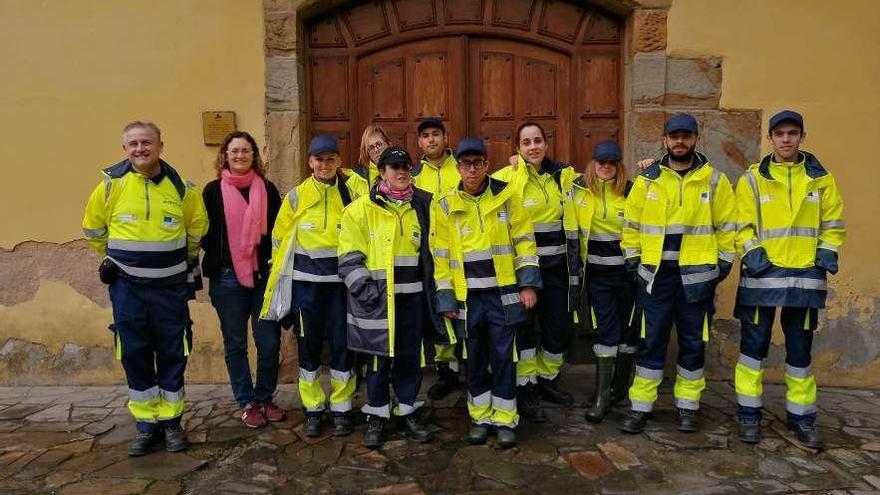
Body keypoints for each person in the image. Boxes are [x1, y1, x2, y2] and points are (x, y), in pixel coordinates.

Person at [82, 121, 208, 456]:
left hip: (170, 287)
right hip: (127, 289)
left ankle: (171, 423)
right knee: (134, 351)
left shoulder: (183, 188)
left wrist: (183, 258)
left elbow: (198, 227)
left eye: (147, 143)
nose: (140, 149)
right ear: (125, 149)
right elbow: (93, 228)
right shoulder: (109, 188)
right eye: (133, 144)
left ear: (160, 146)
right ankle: (145, 425)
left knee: (173, 350)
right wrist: (113, 260)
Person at [617, 113, 736, 434]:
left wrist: (721, 265)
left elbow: (728, 228)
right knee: (650, 342)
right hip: (655, 278)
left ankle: (688, 406)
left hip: (697, 280)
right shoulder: (648, 181)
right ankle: (641, 407)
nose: (679, 141)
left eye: (686, 136)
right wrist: (634, 263)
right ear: (665, 140)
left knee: (693, 344)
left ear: (696, 138)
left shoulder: (715, 181)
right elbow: (631, 227)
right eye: (674, 136)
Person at [732, 111, 845, 448]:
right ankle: (749, 414)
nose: (785, 139)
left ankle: (802, 417)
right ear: (770, 138)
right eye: (779, 133)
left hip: (805, 279)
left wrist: (825, 254)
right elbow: (741, 225)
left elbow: (834, 224)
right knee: (753, 349)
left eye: (792, 133)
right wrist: (755, 257)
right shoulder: (752, 180)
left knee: (800, 351)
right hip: (762, 277)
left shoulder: (822, 180)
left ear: (802, 137)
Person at [434, 137, 541, 448]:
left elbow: (524, 242)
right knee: (475, 358)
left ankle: (506, 419)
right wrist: (446, 298)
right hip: (467, 299)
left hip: (502, 295)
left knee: (505, 357)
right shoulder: (444, 205)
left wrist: (529, 283)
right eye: (466, 163)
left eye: (478, 162)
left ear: (486, 164)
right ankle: (480, 417)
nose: (472, 169)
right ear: (458, 167)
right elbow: (440, 256)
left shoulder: (507, 197)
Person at [338, 146, 445, 449]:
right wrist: (367, 293)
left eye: (405, 167)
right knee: (377, 361)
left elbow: (435, 251)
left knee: (410, 358)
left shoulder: (424, 204)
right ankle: (377, 416)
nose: (400, 172)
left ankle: (408, 411)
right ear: (381, 171)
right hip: (376, 301)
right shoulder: (360, 209)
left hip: (413, 300)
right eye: (393, 167)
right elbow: (347, 258)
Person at [260, 134, 368, 437]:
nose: (324, 164)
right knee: (308, 349)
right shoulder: (295, 196)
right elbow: (279, 241)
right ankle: (313, 409)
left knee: (341, 347)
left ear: (338, 162)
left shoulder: (351, 194)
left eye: (330, 159)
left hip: (340, 286)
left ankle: (343, 408)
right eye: (319, 159)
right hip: (306, 287)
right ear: (310, 162)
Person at [493, 122, 581, 423]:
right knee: (524, 330)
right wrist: (519, 171)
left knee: (559, 329)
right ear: (517, 148)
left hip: (558, 270)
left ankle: (546, 379)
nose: (533, 147)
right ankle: (526, 387)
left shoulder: (564, 176)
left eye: (538, 141)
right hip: (522, 270)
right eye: (526, 142)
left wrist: (652, 166)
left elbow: (602, 182)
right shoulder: (506, 177)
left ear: (546, 144)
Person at [201, 131, 283, 429]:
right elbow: (204, 234)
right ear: (225, 154)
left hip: (263, 277)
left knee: (269, 342)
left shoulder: (268, 189)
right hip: (227, 279)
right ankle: (246, 401)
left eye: (245, 151)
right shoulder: (212, 191)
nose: (239, 156)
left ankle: (264, 397)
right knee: (235, 343)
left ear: (253, 155)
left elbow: (278, 231)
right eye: (234, 151)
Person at [573, 141, 640, 423]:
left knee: (628, 332)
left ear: (619, 166)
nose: (605, 167)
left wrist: (654, 165)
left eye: (611, 163)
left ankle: (619, 389)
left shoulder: (633, 190)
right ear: (593, 163)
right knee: (605, 332)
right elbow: (548, 176)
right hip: (598, 277)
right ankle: (602, 396)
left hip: (627, 275)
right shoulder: (578, 190)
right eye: (601, 162)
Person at [411, 118, 465, 401]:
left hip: (466, 249)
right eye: (425, 136)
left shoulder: (464, 167)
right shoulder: (414, 175)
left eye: (436, 135)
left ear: (446, 137)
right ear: (419, 142)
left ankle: (472, 365)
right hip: (431, 255)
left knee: (468, 308)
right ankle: (448, 370)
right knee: (440, 310)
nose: (431, 140)